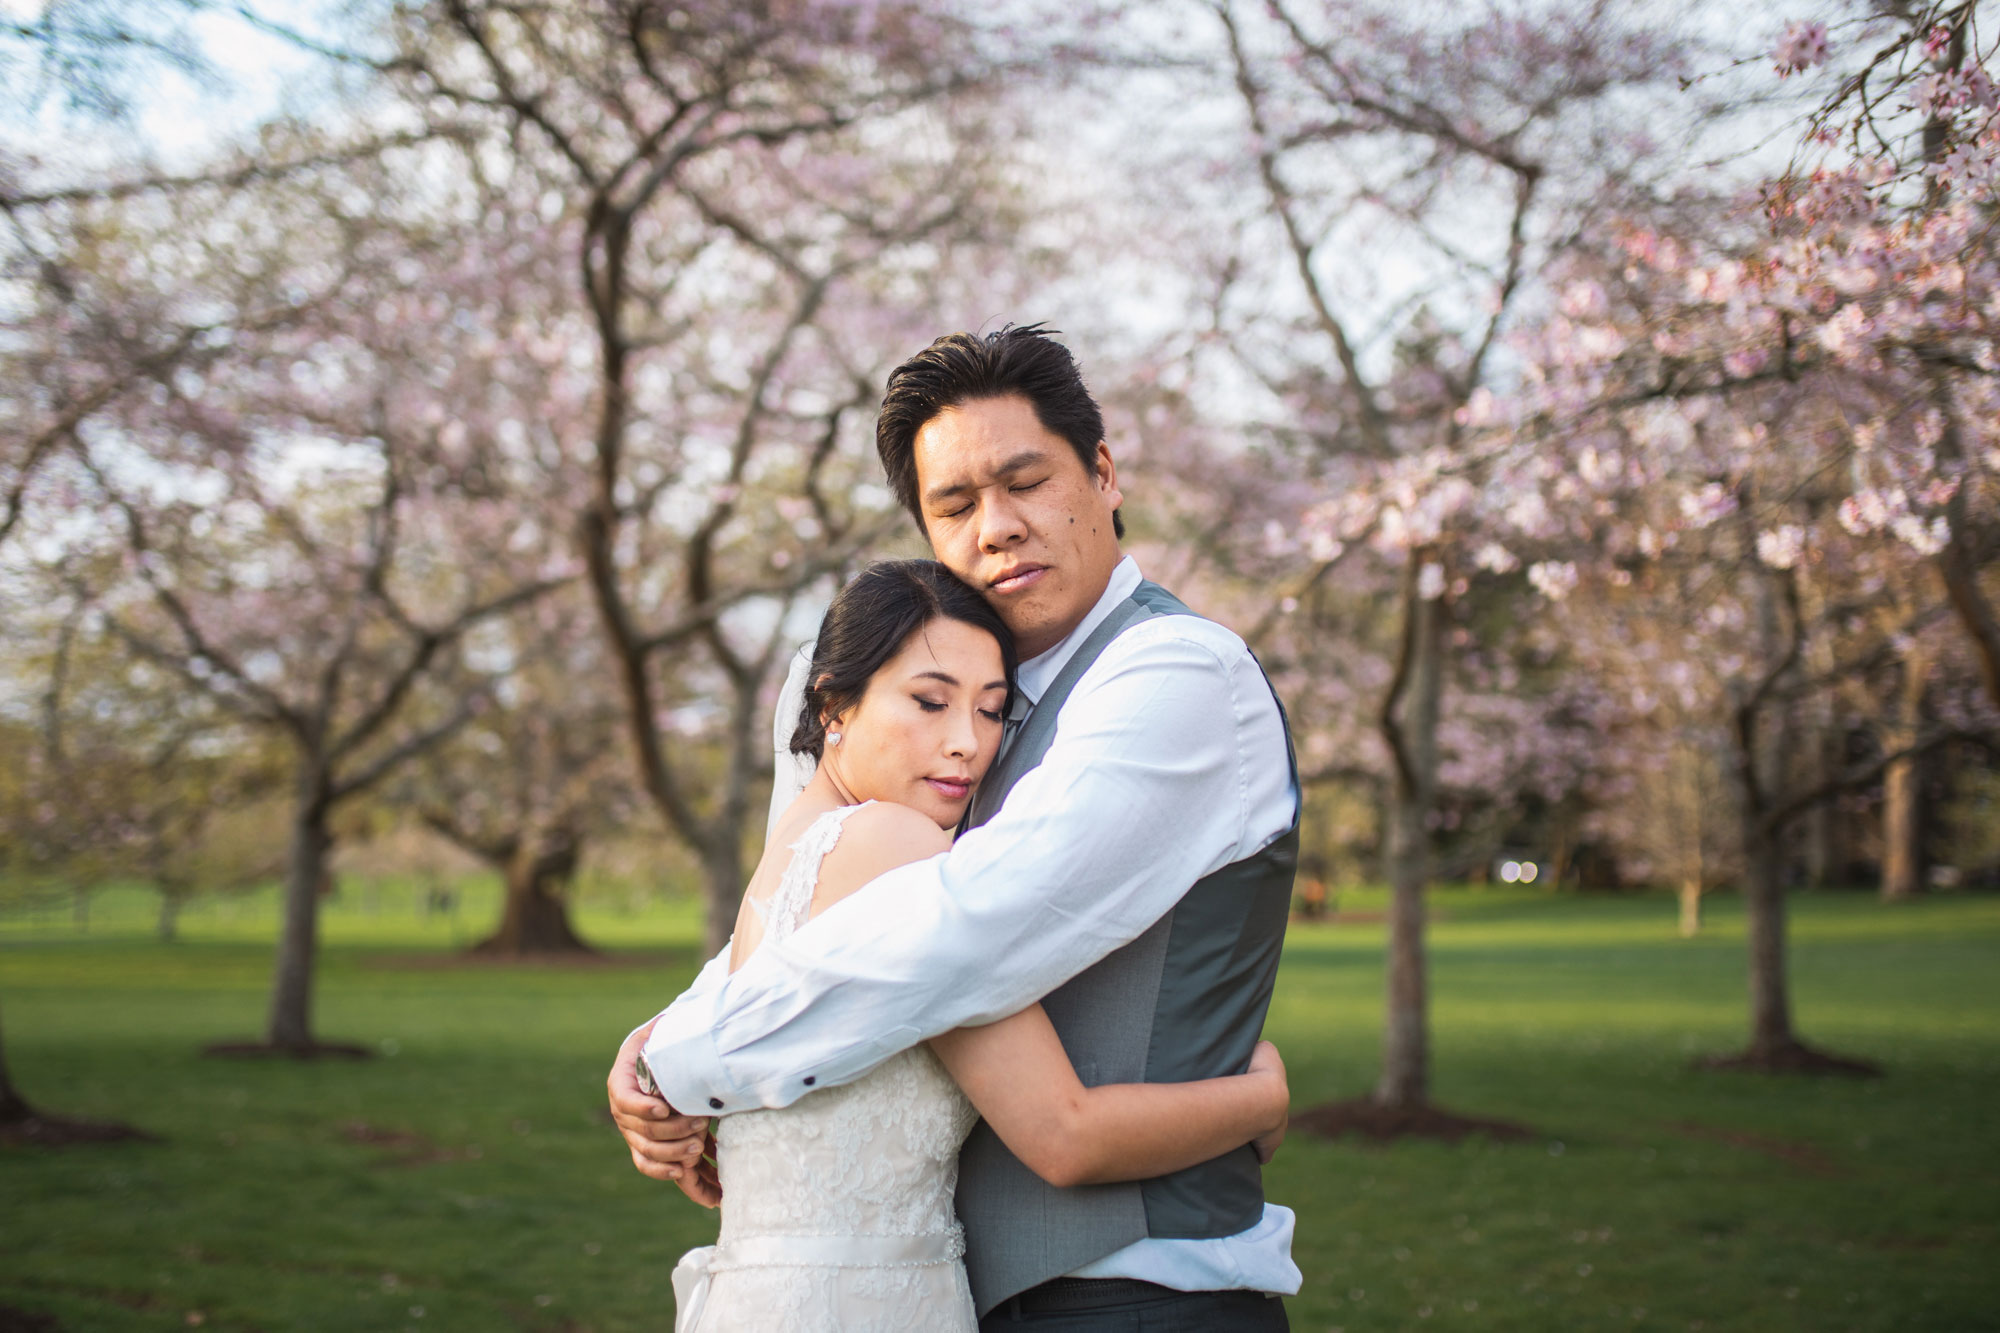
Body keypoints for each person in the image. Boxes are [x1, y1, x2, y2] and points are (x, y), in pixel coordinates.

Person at [610, 325, 1302, 1330]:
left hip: (1140, 1296)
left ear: (1102, 473)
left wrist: (677, 1066)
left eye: (1025, 481)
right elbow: (804, 917)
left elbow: (965, 928)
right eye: (955, 504)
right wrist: (655, 1045)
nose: (998, 526)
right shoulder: (919, 710)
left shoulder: (1176, 676)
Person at [666, 558, 1289, 1331]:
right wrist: (1262, 1096)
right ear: (834, 704)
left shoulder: (787, 854)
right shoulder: (891, 843)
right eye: (929, 702)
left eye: (993, 711)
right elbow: (1065, 1134)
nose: (966, 743)